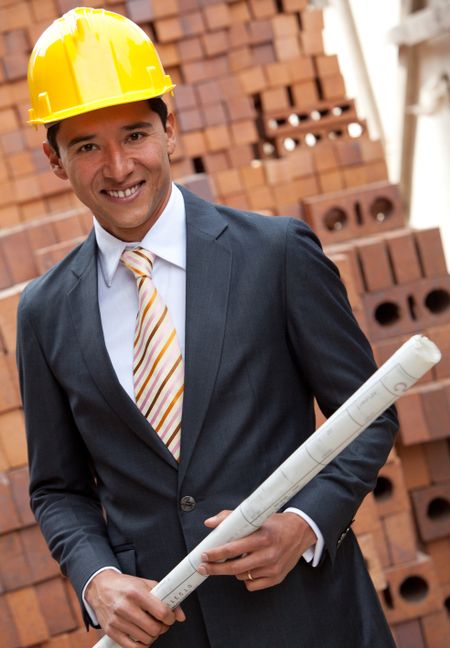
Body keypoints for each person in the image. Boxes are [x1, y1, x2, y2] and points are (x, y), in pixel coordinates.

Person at [17, 7, 398, 648]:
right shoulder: (44, 312)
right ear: (56, 161)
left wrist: (305, 523)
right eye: (87, 146)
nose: (117, 167)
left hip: (312, 621)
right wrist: (96, 580)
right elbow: (57, 489)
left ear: (170, 128)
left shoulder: (275, 255)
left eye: (134, 134)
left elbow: (369, 415)